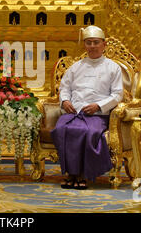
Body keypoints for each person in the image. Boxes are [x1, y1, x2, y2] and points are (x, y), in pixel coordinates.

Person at [50, 26, 123, 190]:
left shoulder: (113, 68)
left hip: (98, 115)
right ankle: (71, 173)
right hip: (74, 112)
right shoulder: (75, 67)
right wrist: (65, 101)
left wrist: (99, 105)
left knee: (90, 133)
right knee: (61, 128)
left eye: (96, 42)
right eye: (88, 42)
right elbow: (64, 88)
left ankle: (83, 174)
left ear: (104, 44)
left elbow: (118, 95)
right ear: (85, 45)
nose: (92, 46)